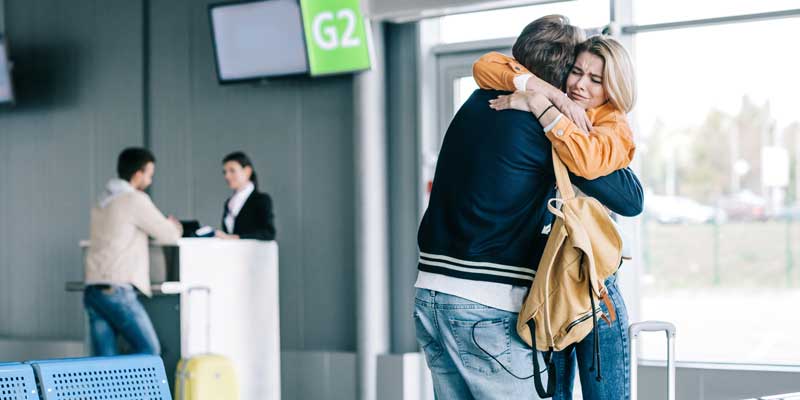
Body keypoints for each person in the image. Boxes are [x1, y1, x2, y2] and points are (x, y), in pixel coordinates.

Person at [414, 15, 643, 400]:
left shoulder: (476, 103)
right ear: (561, 73)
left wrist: (538, 95)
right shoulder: (544, 126)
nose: (579, 86)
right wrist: (560, 111)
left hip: (430, 297)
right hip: (485, 308)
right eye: (575, 73)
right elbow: (629, 196)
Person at [473, 35, 636, 180]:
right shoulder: (564, 100)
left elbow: (588, 164)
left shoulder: (616, 126)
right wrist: (555, 96)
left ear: (614, 87)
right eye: (576, 72)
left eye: (595, 80)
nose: (579, 84)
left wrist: (539, 104)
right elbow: (484, 66)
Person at [84, 147, 183, 356]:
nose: (150, 181)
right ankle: (139, 389)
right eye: (149, 175)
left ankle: (115, 390)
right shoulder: (134, 200)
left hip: (93, 288)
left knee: (105, 364)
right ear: (138, 174)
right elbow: (168, 235)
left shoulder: (102, 202)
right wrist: (175, 226)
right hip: (117, 290)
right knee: (149, 350)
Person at [215, 151, 276, 241]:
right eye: (225, 172)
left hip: (251, 253)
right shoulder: (229, 203)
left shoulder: (261, 200)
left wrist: (237, 238)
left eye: (232, 171)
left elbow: (268, 233)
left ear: (247, 171)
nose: (227, 176)